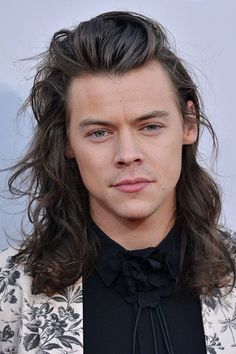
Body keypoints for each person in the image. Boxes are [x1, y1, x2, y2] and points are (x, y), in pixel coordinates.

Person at [0, 10, 235, 354]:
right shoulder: (10, 291)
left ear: (188, 123)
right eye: (99, 132)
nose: (127, 154)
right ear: (66, 142)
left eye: (150, 127)